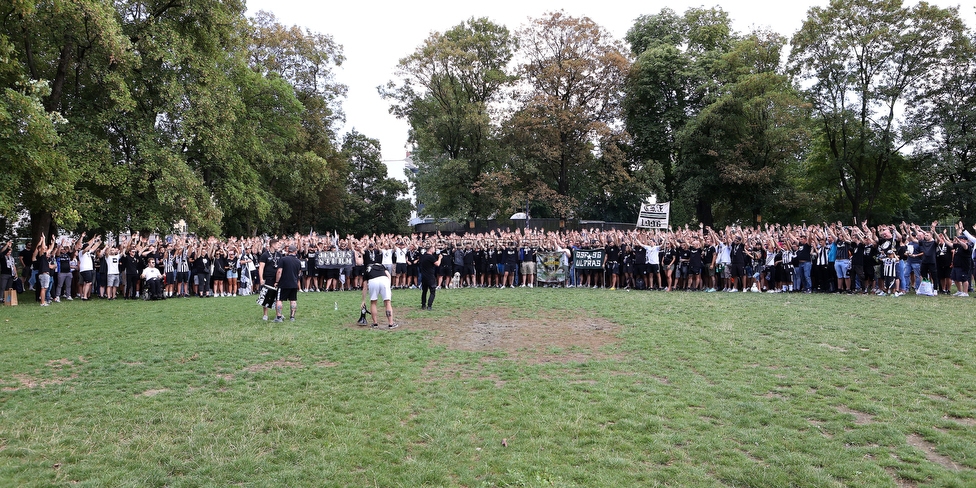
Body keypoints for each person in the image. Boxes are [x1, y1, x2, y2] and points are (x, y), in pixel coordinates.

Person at [361, 261, 397, 328]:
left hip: (372, 281)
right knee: (387, 302)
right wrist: (389, 288)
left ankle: (375, 324)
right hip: (384, 280)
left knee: (373, 303)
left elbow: (365, 287)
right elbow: (388, 275)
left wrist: (363, 300)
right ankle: (391, 324)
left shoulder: (366, 269)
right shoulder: (381, 265)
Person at [273, 245, 302, 322]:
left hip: (283, 283)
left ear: (288, 251)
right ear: (295, 251)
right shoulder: (298, 261)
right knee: (293, 300)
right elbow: (299, 273)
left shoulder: (283, 259)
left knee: (279, 299)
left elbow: (279, 271)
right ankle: (292, 317)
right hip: (294, 283)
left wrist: (276, 281)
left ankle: (279, 317)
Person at [419, 242, 441, 310]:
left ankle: (423, 305)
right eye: (433, 248)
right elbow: (437, 264)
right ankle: (429, 306)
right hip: (430, 277)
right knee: (432, 291)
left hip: (424, 276)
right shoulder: (430, 257)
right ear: (430, 249)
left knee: (424, 291)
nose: (434, 249)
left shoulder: (423, 256)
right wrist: (440, 258)